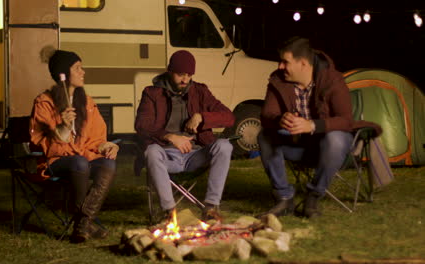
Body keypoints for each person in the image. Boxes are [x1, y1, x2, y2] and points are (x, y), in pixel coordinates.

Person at [258, 37, 354, 218]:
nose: (280, 66)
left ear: (302, 63)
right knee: (265, 135)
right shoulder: (279, 80)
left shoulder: (332, 79)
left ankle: (313, 196)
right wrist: (281, 119)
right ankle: (284, 197)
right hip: (297, 146)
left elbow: (346, 120)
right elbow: (266, 116)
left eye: (285, 62)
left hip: (328, 151)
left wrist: (311, 125)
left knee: (335, 138)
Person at [135, 50, 235, 222]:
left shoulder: (200, 91)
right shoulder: (152, 93)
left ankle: (210, 208)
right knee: (150, 151)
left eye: (189, 75)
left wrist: (202, 116)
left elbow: (229, 117)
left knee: (225, 145)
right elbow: (141, 125)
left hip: (195, 155)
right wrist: (170, 136)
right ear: (169, 71)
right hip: (166, 156)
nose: (185, 80)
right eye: (180, 75)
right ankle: (169, 212)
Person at [30, 49, 119, 242]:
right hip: (54, 162)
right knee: (79, 162)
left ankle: (83, 224)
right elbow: (42, 144)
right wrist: (62, 127)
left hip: (82, 158)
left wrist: (108, 146)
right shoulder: (44, 102)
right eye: (77, 68)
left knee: (108, 164)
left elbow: (96, 138)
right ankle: (85, 222)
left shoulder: (86, 102)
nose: (83, 72)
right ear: (64, 73)